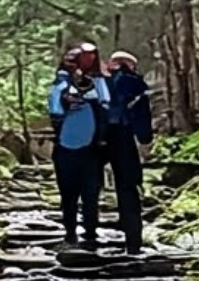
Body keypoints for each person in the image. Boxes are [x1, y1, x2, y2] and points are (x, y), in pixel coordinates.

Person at [48, 42, 110, 246]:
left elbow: (105, 104)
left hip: (91, 149)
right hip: (66, 148)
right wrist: (67, 100)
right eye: (84, 57)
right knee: (68, 194)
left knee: (91, 193)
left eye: (92, 56)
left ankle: (91, 233)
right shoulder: (60, 84)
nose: (88, 60)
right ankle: (70, 233)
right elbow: (55, 109)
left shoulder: (99, 82)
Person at [103, 50, 155, 253]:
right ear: (131, 66)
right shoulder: (136, 84)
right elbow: (142, 118)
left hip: (96, 139)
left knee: (87, 187)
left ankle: (86, 236)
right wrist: (145, 138)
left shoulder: (97, 82)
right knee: (127, 188)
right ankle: (133, 241)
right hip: (123, 137)